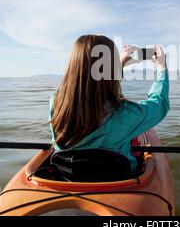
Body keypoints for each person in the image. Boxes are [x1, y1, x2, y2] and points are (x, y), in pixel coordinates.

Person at [49, 35, 169, 173]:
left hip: (68, 179)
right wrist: (161, 68)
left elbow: (92, 87)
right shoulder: (125, 115)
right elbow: (160, 103)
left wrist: (121, 63)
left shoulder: (55, 103)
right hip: (118, 182)